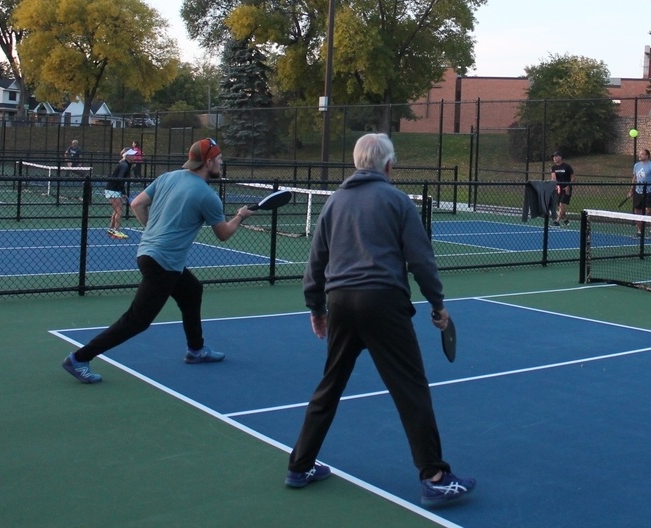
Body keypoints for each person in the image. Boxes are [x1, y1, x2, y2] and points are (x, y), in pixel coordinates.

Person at [286, 133, 476, 509]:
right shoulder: (397, 200)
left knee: (330, 385)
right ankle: (434, 477)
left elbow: (315, 263)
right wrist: (437, 302)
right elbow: (421, 259)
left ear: (357, 162)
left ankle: (299, 466)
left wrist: (316, 307)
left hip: (340, 304)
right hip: (384, 304)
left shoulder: (334, 202)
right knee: (411, 389)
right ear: (389, 166)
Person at [61, 138, 255, 384]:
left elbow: (137, 203)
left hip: (149, 253)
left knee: (192, 290)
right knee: (137, 321)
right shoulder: (208, 196)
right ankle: (79, 358)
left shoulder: (168, 177)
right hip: (163, 263)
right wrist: (240, 216)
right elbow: (224, 234)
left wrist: (152, 229)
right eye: (219, 159)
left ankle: (196, 350)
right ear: (208, 162)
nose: (221, 162)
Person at [630, 148, 651, 239]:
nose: (640, 155)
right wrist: (631, 190)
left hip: (648, 192)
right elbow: (634, 178)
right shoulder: (636, 165)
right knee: (637, 211)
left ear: (647, 156)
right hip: (638, 192)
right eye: (640, 154)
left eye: (642, 154)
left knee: (648, 211)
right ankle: (639, 232)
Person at [104, 150, 134, 239]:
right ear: (127, 156)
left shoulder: (126, 164)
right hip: (113, 189)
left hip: (114, 189)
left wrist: (122, 191)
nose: (134, 157)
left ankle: (111, 229)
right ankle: (116, 231)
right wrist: (123, 192)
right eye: (131, 155)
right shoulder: (124, 165)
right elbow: (120, 178)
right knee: (119, 210)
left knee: (116, 210)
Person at [550, 150, 575, 227]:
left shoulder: (567, 167)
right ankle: (565, 220)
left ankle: (557, 221)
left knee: (561, 204)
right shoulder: (553, 168)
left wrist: (568, 186)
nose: (555, 158)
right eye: (554, 157)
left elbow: (573, 178)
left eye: (556, 156)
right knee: (559, 206)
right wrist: (554, 185)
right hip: (558, 189)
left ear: (560, 157)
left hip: (566, 189)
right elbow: (553, 178)